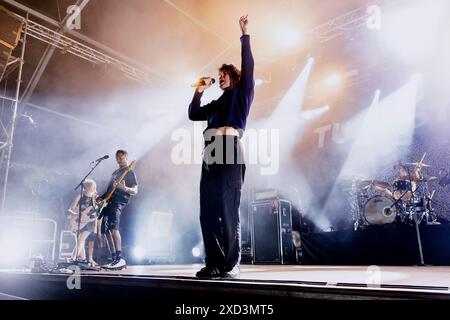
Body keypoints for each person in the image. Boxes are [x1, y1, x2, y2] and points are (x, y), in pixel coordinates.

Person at [188, 15, 254, 278]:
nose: (220, 78)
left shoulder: (242, 93)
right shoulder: (216, 103)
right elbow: (193, 114)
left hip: (229, 148)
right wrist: (199, 90)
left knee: (227, 208)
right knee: (208, 210)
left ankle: (230, 263)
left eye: (224, 74)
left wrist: (244, 34)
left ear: (234, 76)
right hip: (211, 152)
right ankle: (213, 261)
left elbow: (248, 65)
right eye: (218, 76)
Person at [99, 150, 138, 270]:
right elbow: (109, 190)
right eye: (117, 158)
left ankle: (120, 259)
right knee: (106, 231)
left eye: (121, 157)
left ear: (126, 157)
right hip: (109, 202)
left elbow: (135, 190)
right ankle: (113, 258)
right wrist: (101, 198)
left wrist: (125, 188)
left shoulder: (129, 172)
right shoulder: (115, 173)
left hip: (118, 202)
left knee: (114, 228)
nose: (119, 160)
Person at [68, 179, 100, 266]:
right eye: (87, 186)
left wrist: (98, 227)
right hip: (78, 221)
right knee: (79, 242)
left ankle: (73, 258)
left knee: (81, 239)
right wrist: (78, 214)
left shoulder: (96, 197)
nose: (88, 188)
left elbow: (98, 211)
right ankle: (83, 260)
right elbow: (71, 208)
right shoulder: (80, 195)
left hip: (90, 222)